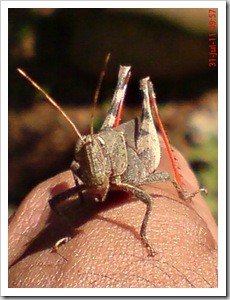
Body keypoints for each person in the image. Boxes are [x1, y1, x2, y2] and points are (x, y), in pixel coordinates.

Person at [8, 143, 217, 288]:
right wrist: (72, 226)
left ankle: (174, 203)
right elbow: (69, 176)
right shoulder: (83, 167)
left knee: (158, 185)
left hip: (133, 160)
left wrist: (183, 197)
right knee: (55, 201)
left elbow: (150, 198)